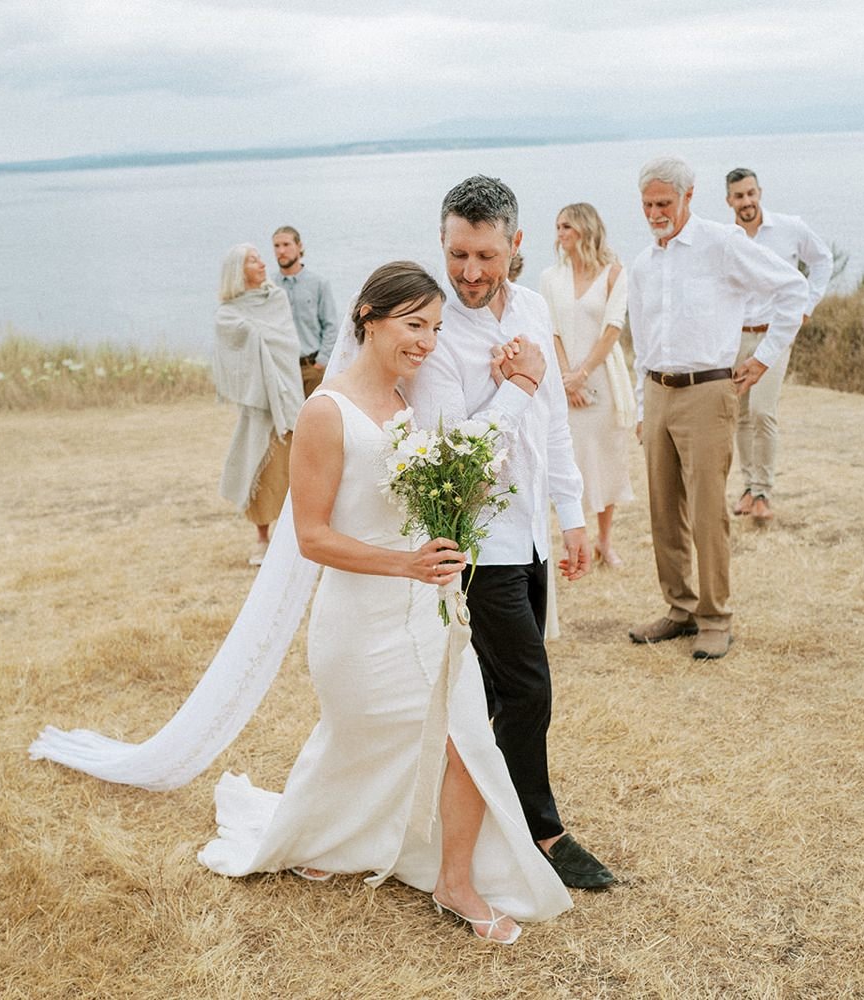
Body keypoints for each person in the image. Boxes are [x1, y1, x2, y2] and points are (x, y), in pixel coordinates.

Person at [197, 262, 572, 943]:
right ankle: (323, 837)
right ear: (367, 316)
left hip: (424, 612)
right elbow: (310, 536)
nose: (426, 341)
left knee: (467, 739)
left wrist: (519, 390)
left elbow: (448, 473)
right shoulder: (325, 411)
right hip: (358, 622)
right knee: (360, 743)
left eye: (434, 327)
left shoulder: (408, 407)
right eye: (413, 324)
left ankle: (455, 883)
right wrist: (405, 562)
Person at [405, 175, 615, 890]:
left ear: (514, 246)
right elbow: (447, 458)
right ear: (442, 241)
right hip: (476, 543)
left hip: (528, 535)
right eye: (458, 253)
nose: (470, 272)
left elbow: (553, 419)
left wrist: (575, 516)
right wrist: (512, 388)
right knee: (526, 690)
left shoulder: (530, 305)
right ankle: (543, 832)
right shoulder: (431, 333)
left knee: (499, 694)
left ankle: (479, 823)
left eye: (486, 255)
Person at [626, 156, 808, 659]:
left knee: (708, 513)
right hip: (658, 392)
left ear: (689, 196)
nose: (656, 213)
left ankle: (715, 617)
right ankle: (679, 610)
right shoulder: (643, 265)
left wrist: (766, 359)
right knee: (664, 511)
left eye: (664, 203)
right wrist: (644, 408)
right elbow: (640, 346)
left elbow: (792, 288)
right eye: (647, 205)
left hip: (709, 391)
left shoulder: (722, 244)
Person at [724, 168, 833, 525]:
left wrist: (805, 307)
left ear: (760, 193)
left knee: (762, 411)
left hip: (774, 335)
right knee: (739, 414)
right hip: (735, 336)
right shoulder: (726, 238)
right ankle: (747, 488)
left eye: (751, 193)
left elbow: (822, 260)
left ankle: (763, 492)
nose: (747, 201)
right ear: (729, 201)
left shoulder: (790, 228)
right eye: (739, 196)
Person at [539, 204, 636, 567]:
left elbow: (613, 327)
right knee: (570, 463)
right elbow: (551, 330)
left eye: (566, 226)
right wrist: (567, 379)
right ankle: (572, 540)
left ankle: (605, 542)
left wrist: (584, 374)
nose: (559, 233)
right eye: (557, 226)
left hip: (603, 381)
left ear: (584, 228)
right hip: (563, 380)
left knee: (606, 461)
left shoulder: (614, 273)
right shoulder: (551, 276)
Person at [213, 244, 303, 566]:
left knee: (294, 470)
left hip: (287, 396)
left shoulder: (275, 298)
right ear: (239, 270)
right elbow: (231, 348)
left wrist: (259, 335)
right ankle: (262, 539)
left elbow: (287, 342)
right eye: (253, 260)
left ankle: (295, 540)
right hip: (259, 406)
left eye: (260, 258)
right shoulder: (229, 311)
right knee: (260, 470)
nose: (262, 263)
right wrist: (254, 335)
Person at [271, 226, 340, 401]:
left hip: (312, 368)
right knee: (284, 427)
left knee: (316, 423)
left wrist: (321, 361)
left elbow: (331, 325)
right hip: (281, 371)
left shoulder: (319, 284)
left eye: (286, 244)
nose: (281, 251)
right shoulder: (269, 286)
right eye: (277, 246)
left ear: (299, 246)